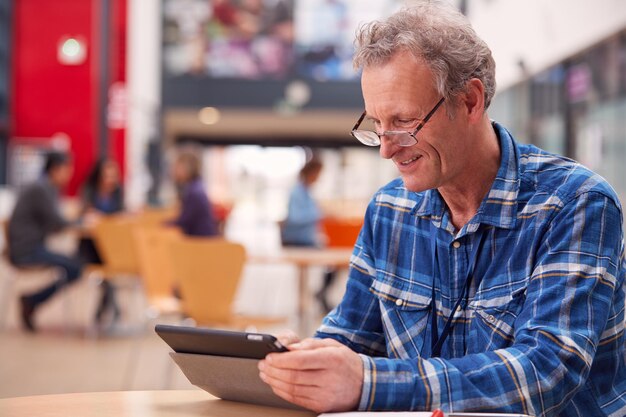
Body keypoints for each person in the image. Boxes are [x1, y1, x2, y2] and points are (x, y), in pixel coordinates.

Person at [258, 2, 626, 416]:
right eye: (376, 125)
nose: (386, 148)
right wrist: (304, 364)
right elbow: (352, 338)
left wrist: (368, 383)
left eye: (404, 122)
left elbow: (545, 372)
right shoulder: (389, 211)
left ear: (470, 101)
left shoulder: (574, 204)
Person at [7, 151, 83, 332]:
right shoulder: (41, 188)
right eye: (66, 169)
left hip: (31, 246)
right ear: (55, 169)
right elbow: (57, 223)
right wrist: (80, 221)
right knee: (74, 267)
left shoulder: (45, 188)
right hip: (26, 250)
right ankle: (31, 301)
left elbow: (53, 224)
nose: (69, 174)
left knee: (74, 264)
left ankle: (31, 301)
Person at [281, 158, 336, 312]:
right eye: (317, 174)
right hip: (298, 240)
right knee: (331, 261)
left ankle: (321, 294)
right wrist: (318, 214)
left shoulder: (306, 191)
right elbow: (295, 217)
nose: (318, 178)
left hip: (307, 239)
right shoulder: (297, 191)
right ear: (311, 173)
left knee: (333, 263)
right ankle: (315, 298)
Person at [77, 158, 124, 325]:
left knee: (108, 268)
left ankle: (104, 313)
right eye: (107, 176)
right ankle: (114, 309)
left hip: (111, 247)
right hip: (90, 247)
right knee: (106, 270)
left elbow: (121, 217)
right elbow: (84, 216)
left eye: (113, 176)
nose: (110, 180)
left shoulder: (118, 193)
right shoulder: (89, 191)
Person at [168, 150, 218, 237]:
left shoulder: (194, 192)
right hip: (202, 239)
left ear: (186, 168)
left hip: (200, 243)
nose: (173, 169)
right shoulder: (196, 187)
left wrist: (162, 225)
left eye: (177, 166)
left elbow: (184, 222)